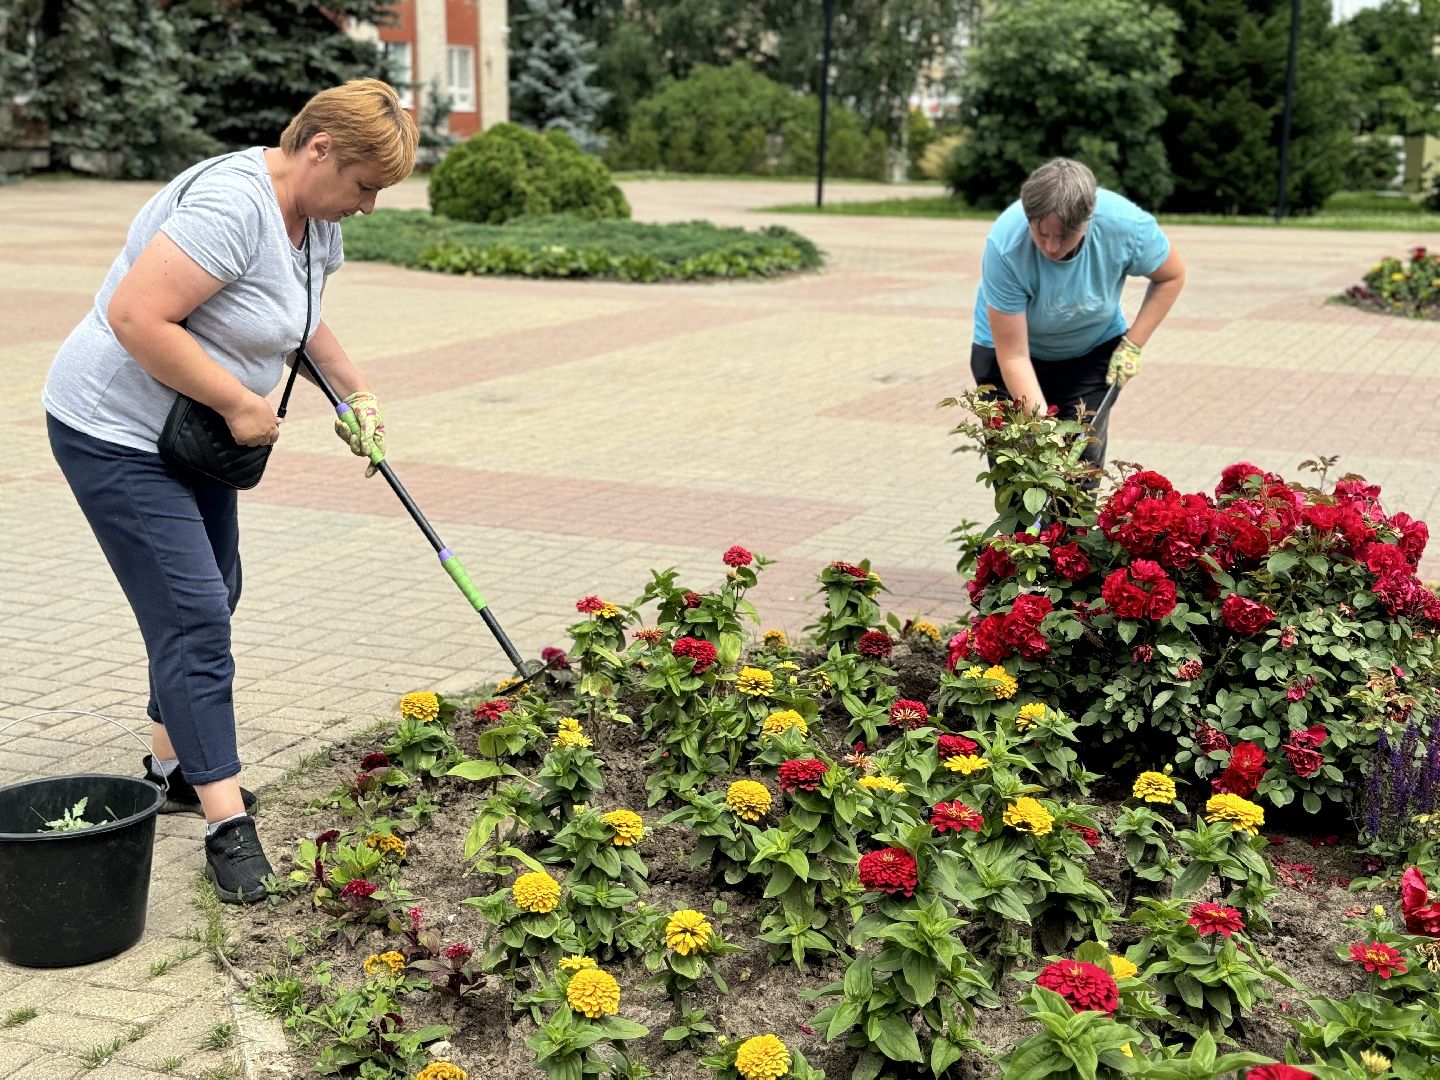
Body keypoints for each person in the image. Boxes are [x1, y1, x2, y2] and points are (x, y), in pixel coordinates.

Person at [42, 79, 418, 903]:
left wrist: (354, 394)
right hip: (115, 430)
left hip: (194, 435)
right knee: (195, 615)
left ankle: (171, 765)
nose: (368, 205)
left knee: (215, 590)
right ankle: (225, 825)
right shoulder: (233, 205)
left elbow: (296, 323)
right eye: (364, 185)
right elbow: (137, 317)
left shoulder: (315, 220)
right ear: (319, 148)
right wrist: (242, 403)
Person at [970, 157, 1186, 468]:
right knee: (1021, 467)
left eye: (1065, 235)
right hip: (1008, 354)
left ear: (1088, 220)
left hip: (1091, 352)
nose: (1051, 247)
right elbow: (1014, 356)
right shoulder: (1006, 245)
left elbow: (1171, 276)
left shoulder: (1125, 226)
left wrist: (1133, 344)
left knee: (1079, 466)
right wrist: (1045, 434)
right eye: (1041, 233)